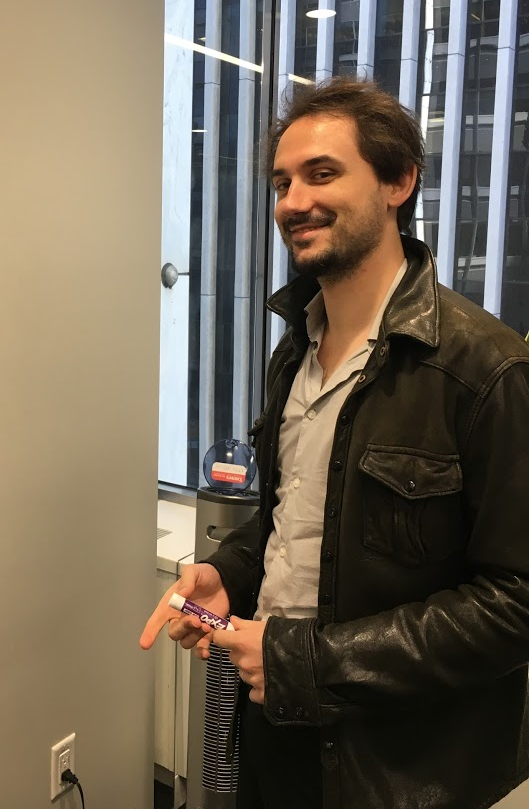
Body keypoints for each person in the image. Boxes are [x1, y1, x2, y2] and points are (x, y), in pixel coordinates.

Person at [140, 77, 529, 809]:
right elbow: (300, 514)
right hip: (273, 729)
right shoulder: (294, 351)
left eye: (322, 174)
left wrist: (310, 660)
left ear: (397, 181)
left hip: (399, 769)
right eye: (282, 181)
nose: (292, 201)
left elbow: (515, 602)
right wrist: (230, 568)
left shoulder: (485, 370)